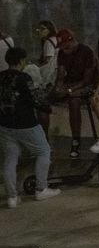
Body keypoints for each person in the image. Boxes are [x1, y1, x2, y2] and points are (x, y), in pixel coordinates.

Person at [1, 47, 61, 208]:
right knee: (43, 151)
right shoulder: (24, 78)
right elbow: (36, 98)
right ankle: (41, 189)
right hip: (26, 123)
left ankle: (12, 197)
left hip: (5, 125)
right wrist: (49, 109)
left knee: (10, 158)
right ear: (21, 61)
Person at [51, 29, 99, 159]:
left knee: (74, 101)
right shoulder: (62, 53)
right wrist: (58, 88)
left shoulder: (86, 51)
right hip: (70, 83)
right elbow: (61, 75)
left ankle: (76, 140)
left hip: (85, 85)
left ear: (72, 41)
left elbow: (87, 80)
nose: (64, 50)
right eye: (62, 47)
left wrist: (68, 91)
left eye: (66, 46)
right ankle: (44, 142)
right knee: (44, 100)